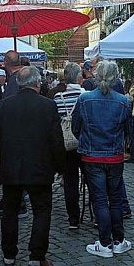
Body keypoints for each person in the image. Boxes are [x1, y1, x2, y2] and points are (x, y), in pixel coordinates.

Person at [0, 67, 64, 266]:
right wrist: (59, 166)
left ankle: (9, 254)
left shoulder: (4, 105)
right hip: (40, 166)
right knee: (41, 211)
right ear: (37, 83)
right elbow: (57, 140)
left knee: (10, 211)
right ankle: (37, 255)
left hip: (12, 166)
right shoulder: (48, 106)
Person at [72, 61, 133, 258]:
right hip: (114, 156)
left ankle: (105, 243)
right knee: (115, 199)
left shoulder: (85, 99)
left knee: (99, 200)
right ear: (116, 78)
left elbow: (75, 127)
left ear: (96, 76)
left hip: (91, 155)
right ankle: (118, 240)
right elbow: (129, 131)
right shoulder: (124, 101)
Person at [53, 62, 84, 229]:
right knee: (91, 179)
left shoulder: (58, 98)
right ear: (79, 77)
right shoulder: (85, 95)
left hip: (66, 143)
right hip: (84, 142)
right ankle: (95, 215)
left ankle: (73, 218)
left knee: (70, 181)